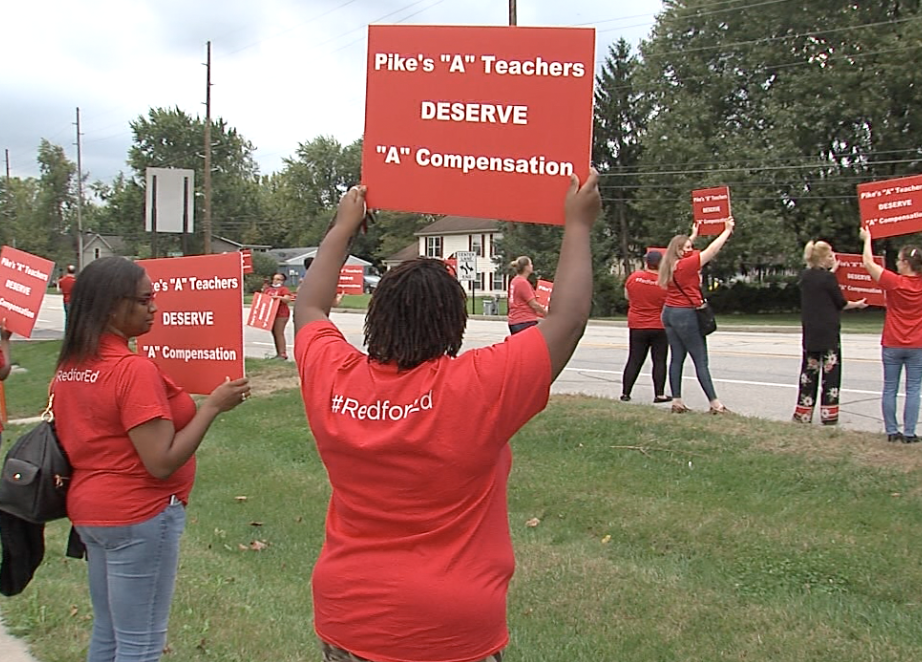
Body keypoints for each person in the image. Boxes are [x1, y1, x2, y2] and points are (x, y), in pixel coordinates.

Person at [293, 172, 600, 662]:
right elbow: (567, 321)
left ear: (377, 318)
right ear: (454, 324)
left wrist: (342, 228)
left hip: (349, 615)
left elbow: (308, 305)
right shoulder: (476, 386)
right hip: (452, 629)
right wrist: (578, 225)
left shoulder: (334, 375)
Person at [53, 257, 250, 662]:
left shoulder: (72, 366)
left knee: (108, 634)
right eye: (144, 301)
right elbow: (161, 461)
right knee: (140, 644)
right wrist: (212, 407)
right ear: (112, 307)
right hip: (137, 513)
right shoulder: (132, 370)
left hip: (90, 511)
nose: (155, 308)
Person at [860, 221, 922, 443]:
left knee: (890, 388)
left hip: (893, 341)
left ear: (905, 263)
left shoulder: (895, 283)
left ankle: (892, 431)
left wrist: (867, 240)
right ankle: (910, 432)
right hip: (919, 343)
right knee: (913, 389)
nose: (896, 263)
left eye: (898, 260)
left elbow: (867, 262)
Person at [658, 219, 735, 414]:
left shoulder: (669, 263)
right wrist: (726, 231)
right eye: (688, 247)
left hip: (669, 312)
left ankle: (676, 401)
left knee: (676, 358)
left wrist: (693, 235)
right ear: (680, 250)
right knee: (700, 360)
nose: (690, 249)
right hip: (686, 314)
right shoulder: (687, 266)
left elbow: (684, 249)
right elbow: (711, 251)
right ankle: (715, 404)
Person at [796, 241, 868, 425]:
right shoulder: (828, 279)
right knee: (830, 374)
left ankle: (803, 412)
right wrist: (858, 304)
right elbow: (840, 302)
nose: (833, 258)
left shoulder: (805, 277)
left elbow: (819, 284)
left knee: (809, 372)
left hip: (811, 332)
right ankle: (829, 414)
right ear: (821, 258)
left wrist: (832, 271)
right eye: (829, 256)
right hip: (828, 332)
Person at [620, 250, 671, 403]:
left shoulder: (634, 278)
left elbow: (627, 296)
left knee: (634, 359)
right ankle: (659, 394)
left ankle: (626, 393)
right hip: (659, 325)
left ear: (646, 261)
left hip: (637, 324)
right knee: (659, 360)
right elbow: (668, 303)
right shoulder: (664, 282)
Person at [506, 255, 546, 334]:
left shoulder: (515, 280)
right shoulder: (523, 283)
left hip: (514, 320)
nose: (532, 266)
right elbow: (533, 304)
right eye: (530, 264)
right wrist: (546, 313)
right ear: (526, 267)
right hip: (524, 321)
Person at [262, 273, 294, 360]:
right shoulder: (268, 289)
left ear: (283, 281)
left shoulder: (283, 289)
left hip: (281, 314)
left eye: (278, 279)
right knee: (274, 333)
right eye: (274, 279)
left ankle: (283, 354)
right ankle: (278, 353)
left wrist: (278, 297)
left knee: (279, 332)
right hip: (271, 313)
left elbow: (287, 299)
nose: (276, 281)